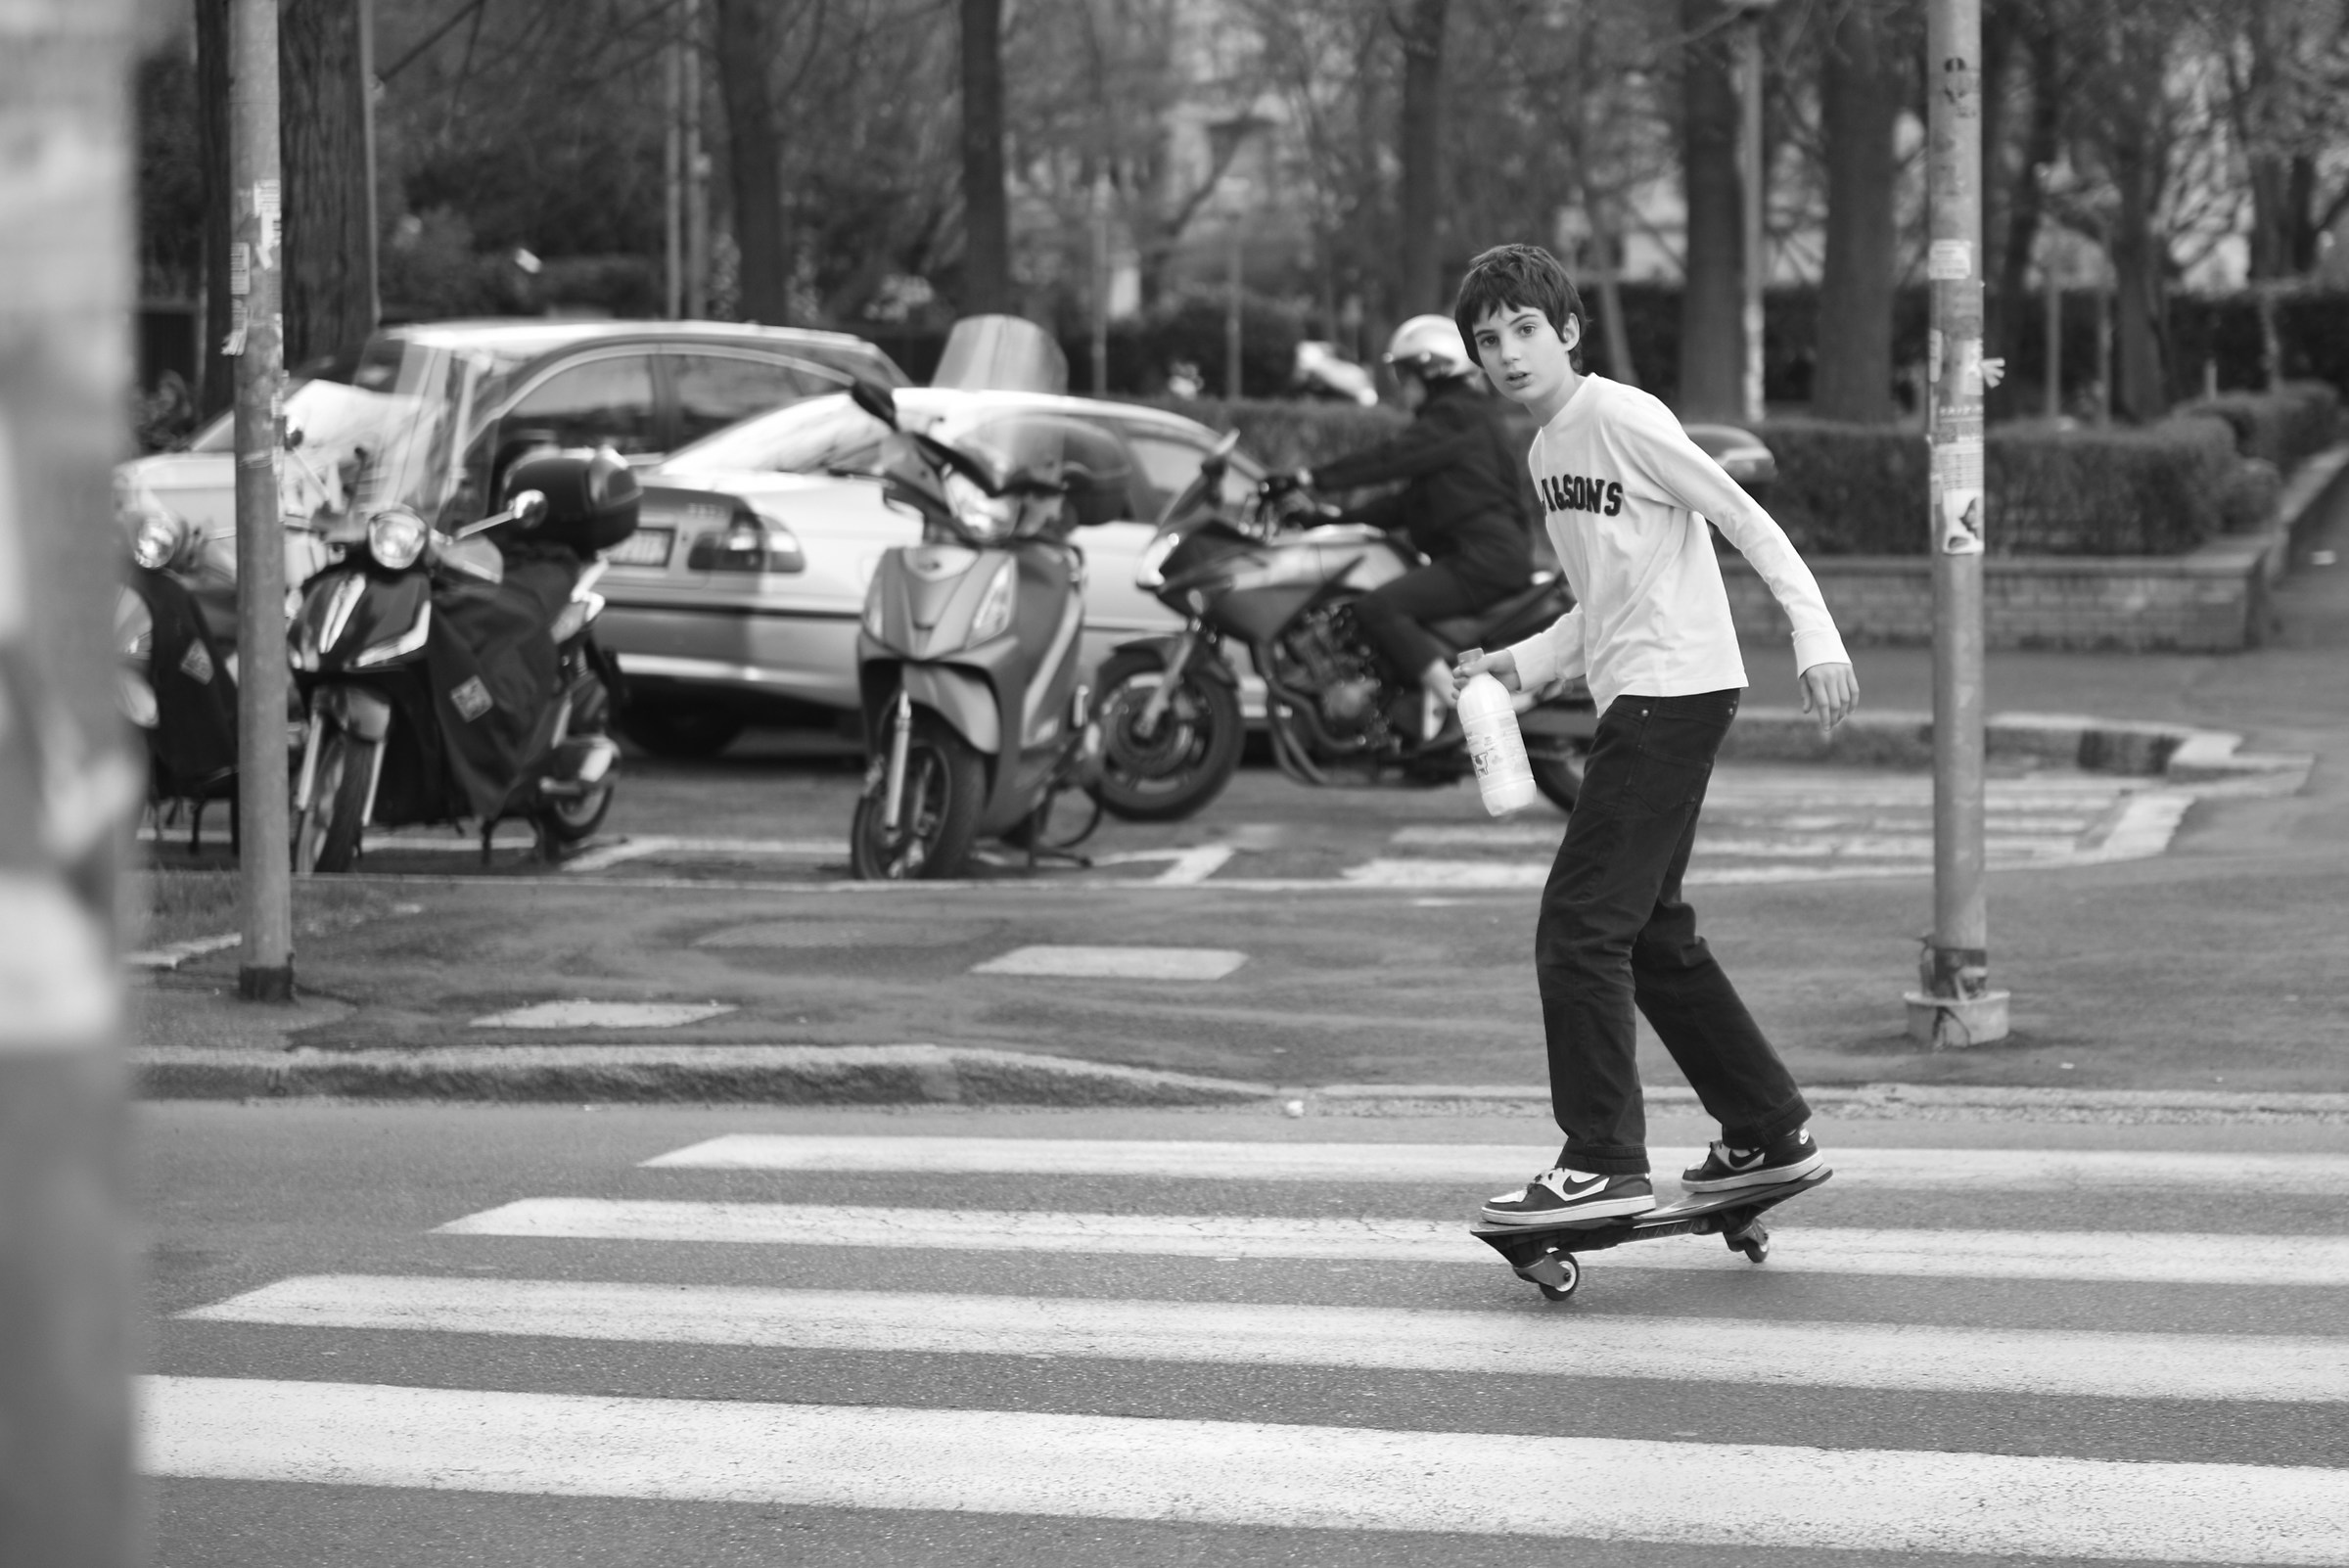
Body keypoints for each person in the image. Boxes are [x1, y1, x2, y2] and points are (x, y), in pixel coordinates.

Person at [1449, 243, 1860, 1226]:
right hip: (1644, 693)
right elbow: (1602, 602)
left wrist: (1816, 636)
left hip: (1670, 694)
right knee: (1650, 931)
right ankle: (1766, 1129)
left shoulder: (1623, 417)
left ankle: (1601, 1161)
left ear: (1569, 332)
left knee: (1580, 925)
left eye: (1526, 331)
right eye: (1489, 341)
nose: (1509, 354)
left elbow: (1744, 518)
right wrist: (1520, 665)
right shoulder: (1546, 455)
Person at [1287, 315, 1535, 742]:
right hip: (1480, 556)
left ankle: (1459, 706)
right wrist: (1325, 520)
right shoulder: (1460, 418)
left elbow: (1391, 458)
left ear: (1432, 369)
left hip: (1483, 559)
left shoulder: (1456, 415)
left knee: (1379, 608)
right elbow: (1404, 506)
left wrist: (1309, 478)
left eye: (1405, 374)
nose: (1402, 386)